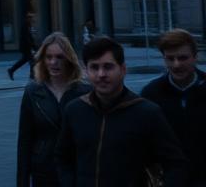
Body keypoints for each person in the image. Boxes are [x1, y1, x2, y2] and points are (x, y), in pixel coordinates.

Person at [56, 36, 187, 186]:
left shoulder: (147, 113)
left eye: (108, 67)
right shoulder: (75, 110)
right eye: (94, 67)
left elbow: (175, 164)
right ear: (86, 71)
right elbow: (63, 157)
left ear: (123, 69)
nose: (101, 74)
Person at [15, 32, 90, 187]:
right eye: (48, 57)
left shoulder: (85, 92)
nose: (53, 62)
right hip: (44, 170)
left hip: (76, 169)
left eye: (59, 57)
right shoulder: (32, 93)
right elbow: (25, 141)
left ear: (69, 59)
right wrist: (22, 182)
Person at [141, 29, 206, 185]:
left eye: (183, 58)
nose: (176, 64)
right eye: (170, 58)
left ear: (195, 58)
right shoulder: (151, 94)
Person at [9, 14, 38, 81]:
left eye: (32, 18)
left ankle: (11, 70)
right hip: (26, 47)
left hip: (27, 47)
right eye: (31, 18)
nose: (32, 19)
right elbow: (27, 38)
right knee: (32, 61)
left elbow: (30, 37)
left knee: (23, 61)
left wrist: (34, 46)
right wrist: (32, 46)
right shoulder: (25, 26)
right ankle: (32, 76)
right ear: (27, 19)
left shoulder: (28, 26)